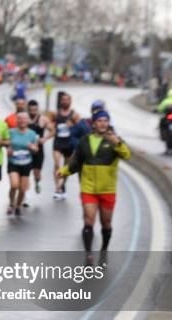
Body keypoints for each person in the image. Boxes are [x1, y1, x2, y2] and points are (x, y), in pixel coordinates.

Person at [57, 110, 131, 257]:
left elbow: (127, 156)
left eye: (105, 120)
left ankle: (104, 248)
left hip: (107, 189)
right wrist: (64, 171)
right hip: (88, 188)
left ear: (108, 123)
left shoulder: (115, 140)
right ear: (94, 123)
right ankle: (89, 252)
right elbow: (76, 161)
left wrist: (118, 143)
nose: (103, 123)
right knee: (89, 219)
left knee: (106, 223)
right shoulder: (85, 140)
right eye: (99, 121)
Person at [7, 112, 39, 216]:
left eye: (24, 119)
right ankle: (11, 203)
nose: (22, 121)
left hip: (26, 163)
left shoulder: (32, 133)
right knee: (14, 185)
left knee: (22, 189)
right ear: (16, 121)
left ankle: (18, 206)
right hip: (13, 162)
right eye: (20, 119)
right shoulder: (11, 132)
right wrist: (8, 149)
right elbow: (6, 144)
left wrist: (33, 148)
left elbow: (36, 149)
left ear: (28, 121)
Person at [50, 92, 81, 200]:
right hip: (58, 142)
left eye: (67, 100)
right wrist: (51, 129)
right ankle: (57, 187)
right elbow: (50, 125)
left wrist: (72, 126)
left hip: (69, 143)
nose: (65, 101)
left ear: (70, 101)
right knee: (57, 164)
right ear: (60, 101)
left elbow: (79, 129)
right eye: (63, 100)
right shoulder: (55, 113)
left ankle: (63, 185)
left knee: (67, 167)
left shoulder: (74, 115)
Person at [26, 100, 53, 196]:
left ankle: (37, 182)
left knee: (36, 173)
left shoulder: (43, 119)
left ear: (37, 109)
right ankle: (26, 195)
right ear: (28, 109)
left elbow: (53, 130)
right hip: (26, 150)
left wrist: (45, 138)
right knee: (25, 173)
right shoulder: (25, 119)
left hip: (39, 149)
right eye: (31, 110)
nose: (33, 112)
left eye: (35, 110)